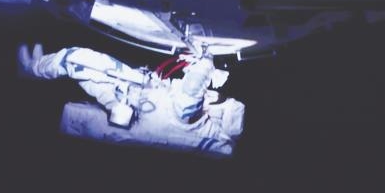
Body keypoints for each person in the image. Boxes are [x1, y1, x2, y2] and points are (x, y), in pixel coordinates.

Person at [18, 43, 244, 157]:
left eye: (217, 100)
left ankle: (31, 68)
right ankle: (38, 68)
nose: (212, 95)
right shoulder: (194, 131)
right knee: (77, 70)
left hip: (125, 101)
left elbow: (193, 88)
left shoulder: (191, 119)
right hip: (130, 99)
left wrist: (206, 60)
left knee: (77, 59)